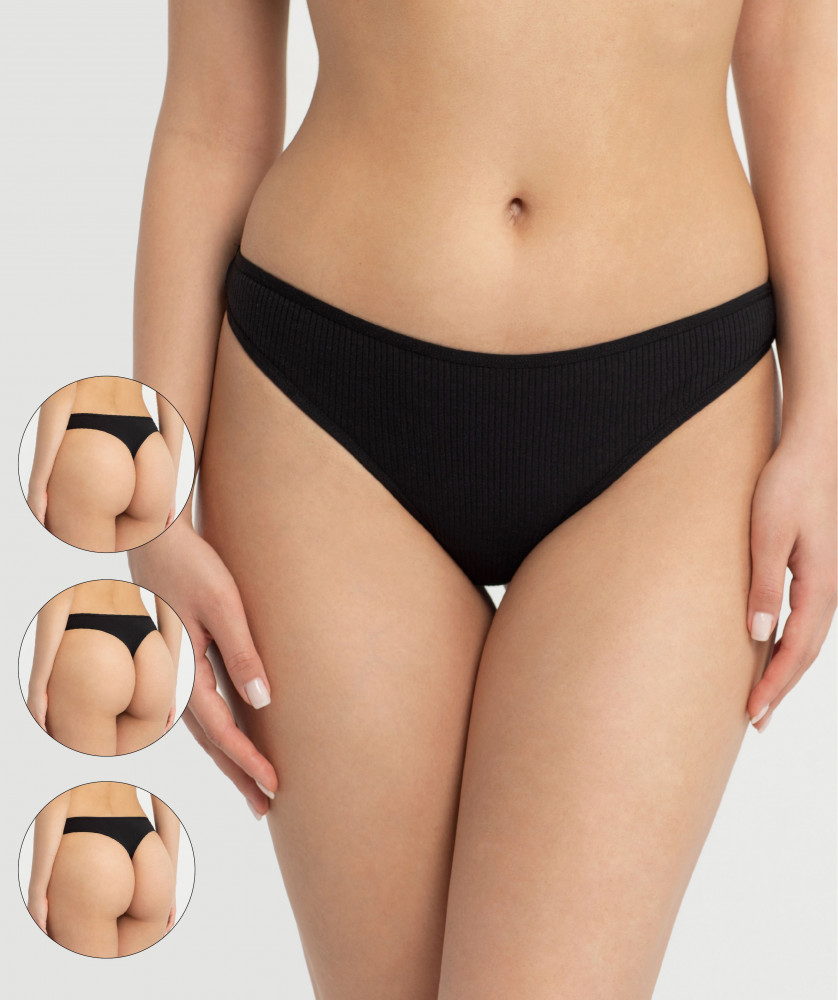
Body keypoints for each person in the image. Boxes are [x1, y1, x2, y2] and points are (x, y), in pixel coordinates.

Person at [128, 2, 837, 997]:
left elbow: (799, 59)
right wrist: (150, 495)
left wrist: (827, 423)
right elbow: (211, 118)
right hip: (322, 420)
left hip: (675, 423)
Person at [27, 376, 181, 551]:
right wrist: (171, 481)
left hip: (92, 441)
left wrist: (37, 485)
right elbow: (172, 393)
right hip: (152, 449)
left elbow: (62, 388)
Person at [27, 782, 179, 958]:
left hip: (89, 846)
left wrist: (37, 891)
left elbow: (57, 793)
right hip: (150, 852)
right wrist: (170, 881)